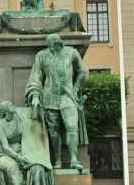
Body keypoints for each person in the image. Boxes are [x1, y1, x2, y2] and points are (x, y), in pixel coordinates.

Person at [25, 33, 89, 172]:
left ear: (59, 43)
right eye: (49, 46)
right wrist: (35, 96)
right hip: (49, 99)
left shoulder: (71, 52)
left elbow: (82, 71)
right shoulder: (42, 55)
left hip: (68, 98)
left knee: (72, 127)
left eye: (54, 46)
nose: (52, 49)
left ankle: (73, 159)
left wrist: (76, 88)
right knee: (53, 132)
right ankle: (58, 160)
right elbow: (35, 77)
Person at [0, 101, 53, 185]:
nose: (14, 106)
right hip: (4, 155)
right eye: (10, 105)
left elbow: (33, 124)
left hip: (23, 152)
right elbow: (6, 147)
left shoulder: (20, 119)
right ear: (5, 110)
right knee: (11, 166)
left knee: (37, 167)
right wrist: (19, 158)